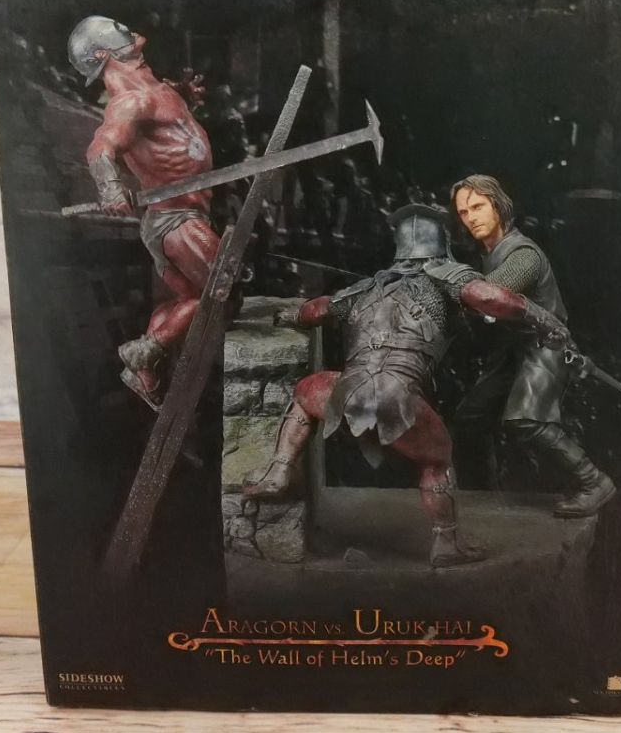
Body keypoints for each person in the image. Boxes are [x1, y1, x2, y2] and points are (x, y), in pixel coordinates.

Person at [242, 204, 575, 567]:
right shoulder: (450, 278)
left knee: (306, 390)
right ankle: (446, 543)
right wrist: (544, 318)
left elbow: (318, 309)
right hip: (398, 398)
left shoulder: (367, 287)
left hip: (344, 392)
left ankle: (279, 469)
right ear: (443, 241)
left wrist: (291, 314)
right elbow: (491, 298)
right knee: (437, 459)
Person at [72, 15, 219, 408]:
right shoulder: (129, 102)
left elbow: (169, 125)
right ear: (101, 53)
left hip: (187, 215)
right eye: (115, 28)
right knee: (224, 288)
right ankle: (145, 352)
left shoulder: (154, 89)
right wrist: (110, 188)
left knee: (193, 299)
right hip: (177, 220)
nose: (128, 30)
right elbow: (101, 147)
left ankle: (146, 367)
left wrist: (186, 95)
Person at [451, 174, 616, 518]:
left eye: (478, 207)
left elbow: (489, 294)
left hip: (545, 346)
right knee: (469, 419)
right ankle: (481, 493)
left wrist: (448, 285)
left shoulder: (522, 253)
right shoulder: (489, 253)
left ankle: (594, 482)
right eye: (464, 212)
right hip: (512, 351)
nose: (470, 218)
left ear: (498, 206)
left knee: (524, 420)